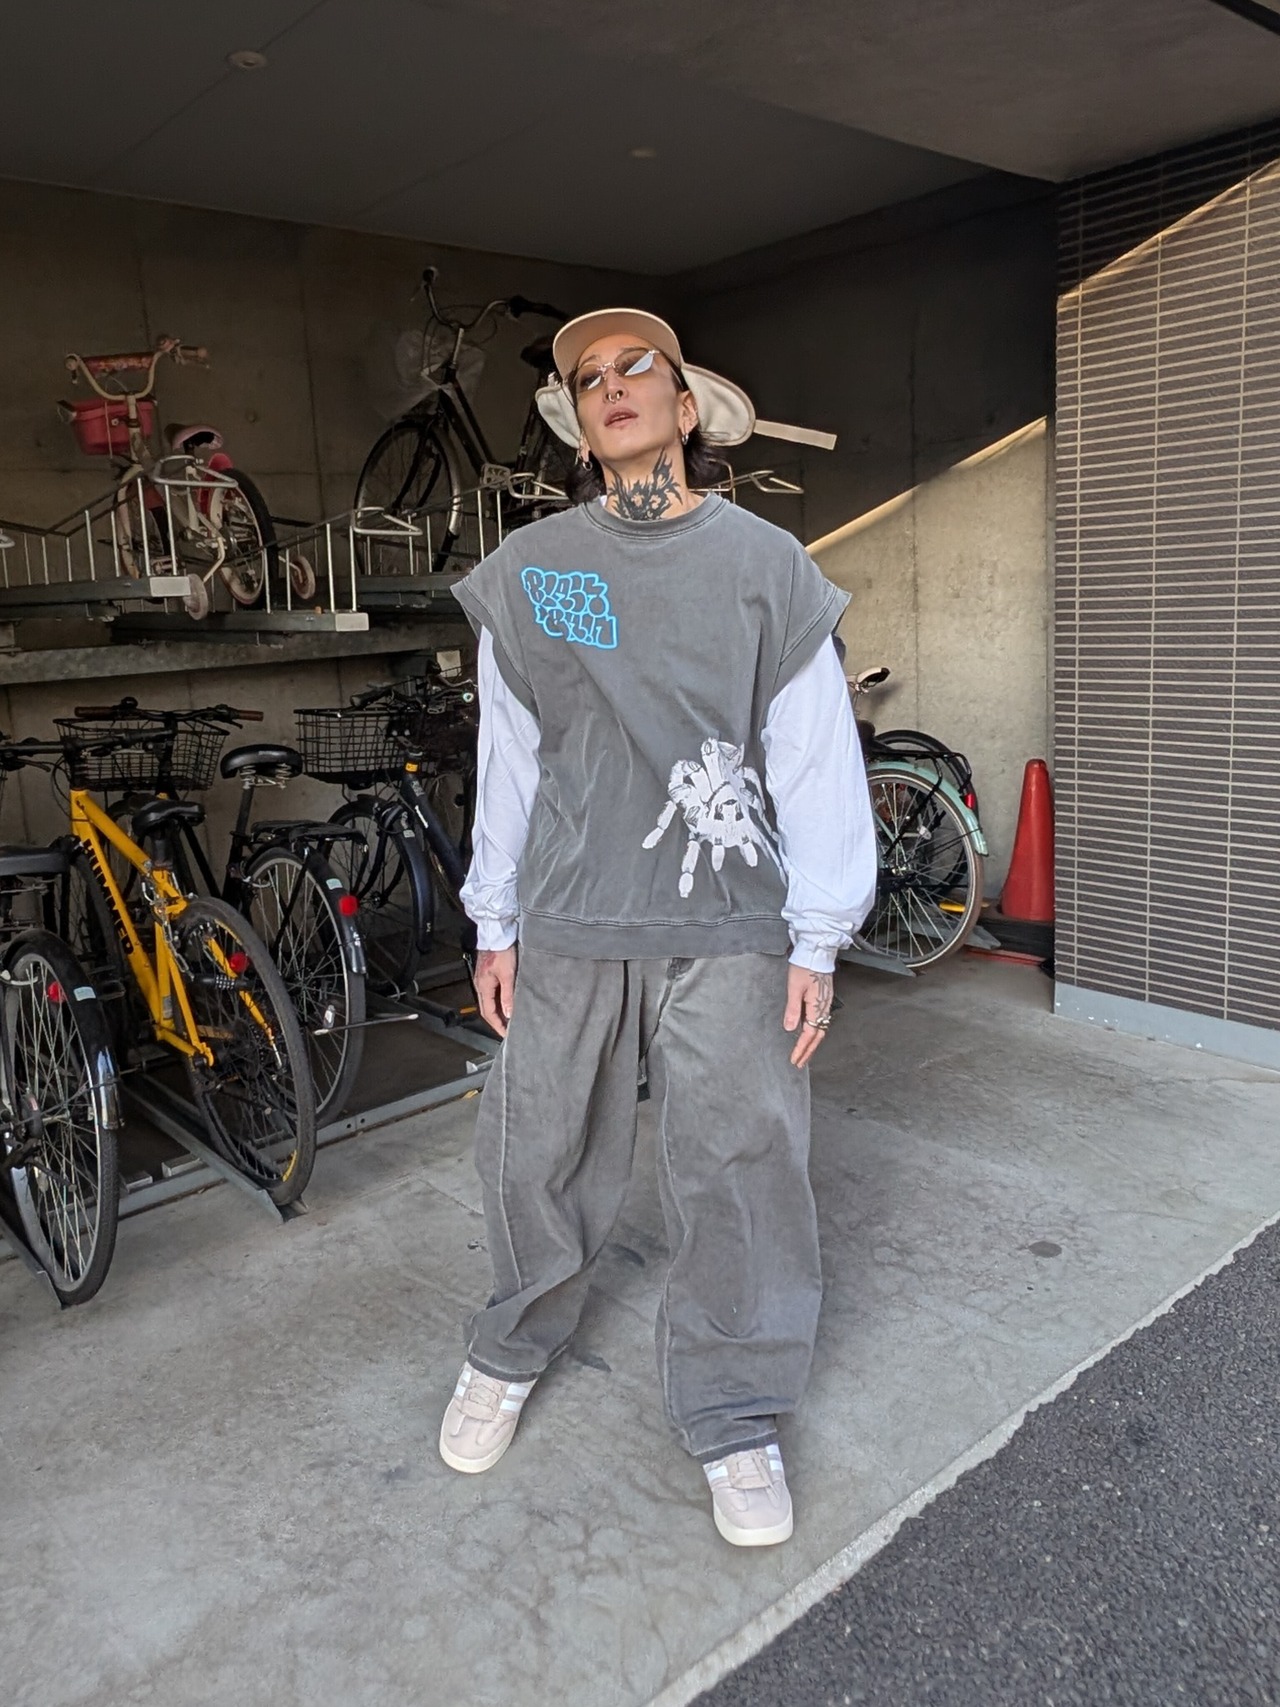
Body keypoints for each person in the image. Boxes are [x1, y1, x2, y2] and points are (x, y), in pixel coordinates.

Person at [438, 308, 876, 1547]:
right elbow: (509, 758)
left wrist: (816, 936)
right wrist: (493, 918)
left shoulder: (764, 566)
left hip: (729, 919)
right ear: (579, 428)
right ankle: (510, 1346)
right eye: (589, 377)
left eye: (640, 367)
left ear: (686, 411)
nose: (613, 384)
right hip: (569, 912)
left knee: (740, 1160)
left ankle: (735, 1410)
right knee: (535, 1149)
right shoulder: (531, 570)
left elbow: (812, 755)